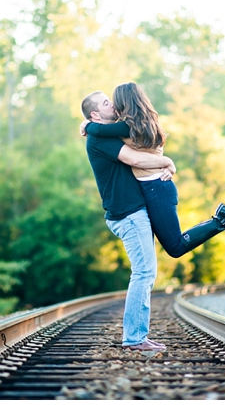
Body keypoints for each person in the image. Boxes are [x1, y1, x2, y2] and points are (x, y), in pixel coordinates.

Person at [81, 82, 225, 260]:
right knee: (173, 246)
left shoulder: (128, 126)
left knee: (175, 247)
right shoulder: (142, 121)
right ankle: (222, 218)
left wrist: (87, 126)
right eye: (107, 103)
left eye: (113, 101)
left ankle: (223, 220)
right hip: (152, 188)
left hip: (157, 188)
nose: (113, 105)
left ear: (125, 102)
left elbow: (100, 130)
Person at [80, 90, 175, 352]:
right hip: (128, 213)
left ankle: (138, 336)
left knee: (146, 272)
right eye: (107, 103)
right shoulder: (99, 139)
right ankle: (134, 338)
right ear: (96, 114)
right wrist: (166, 161)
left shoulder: (108, 132)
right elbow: (133, 159)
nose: (114, 104)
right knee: (144, 272)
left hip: (132, 211)